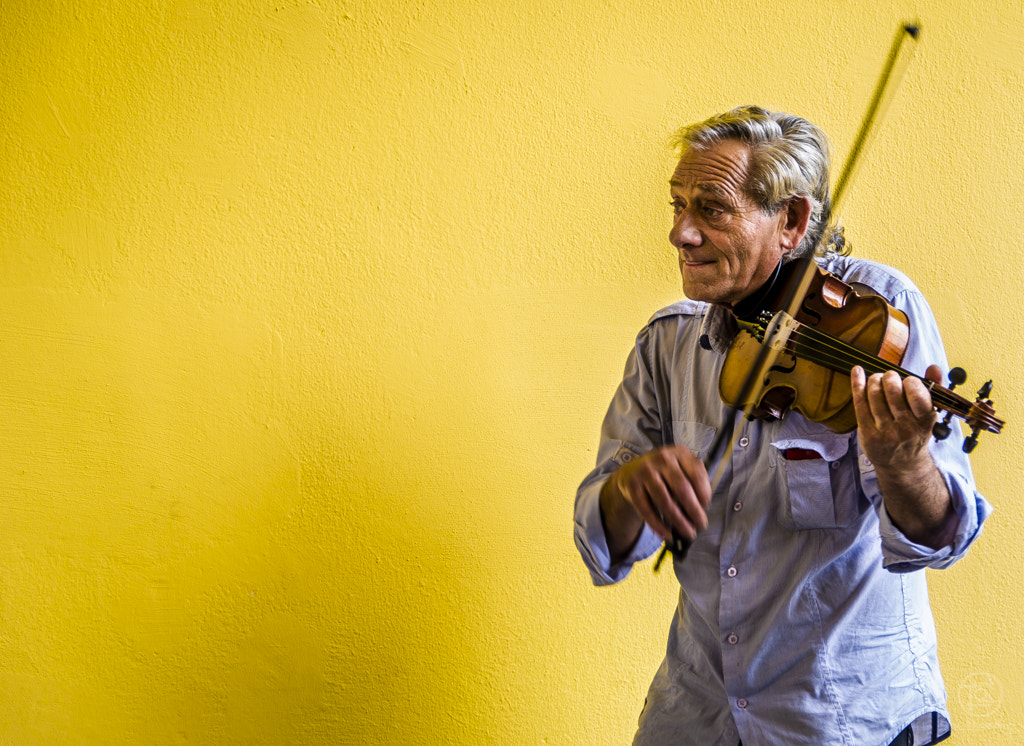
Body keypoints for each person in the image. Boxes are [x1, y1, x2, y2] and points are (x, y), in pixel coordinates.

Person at [573, 106, 991, 746]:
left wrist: (907, 465)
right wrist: (631, 490)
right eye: (677, 206)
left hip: (843, 718)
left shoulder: (876, 318)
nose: (680, 234)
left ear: (792, 221)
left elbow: (939, 539)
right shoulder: (668, 341)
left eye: (711, 209)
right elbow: (602, 542)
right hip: (695, 715)